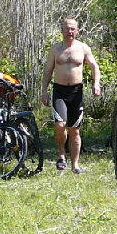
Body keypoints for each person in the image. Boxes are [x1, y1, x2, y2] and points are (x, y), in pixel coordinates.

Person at [41, 17, 101, 173]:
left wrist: (96, 84)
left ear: (77, 31)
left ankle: (75, 165)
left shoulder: (83, 48)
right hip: (59, 91)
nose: (70, 31)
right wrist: (44, 91)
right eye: (67, 28)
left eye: (73, 29)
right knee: (60, 125)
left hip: (76, 92)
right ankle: (61, 154)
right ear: (62, 30)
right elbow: (48, 71)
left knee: (74, 130)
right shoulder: (55, 50)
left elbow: (94, 66)